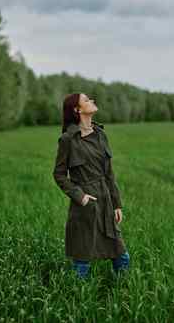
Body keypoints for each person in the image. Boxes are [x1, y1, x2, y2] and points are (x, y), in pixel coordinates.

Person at [53, 93, 130, 279]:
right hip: (85, 205)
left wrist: (117, 203)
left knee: (121, 256)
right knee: (82, 260)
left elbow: (109, 173)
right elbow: (59, 174)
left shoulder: (101, 134)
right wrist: (80, 196)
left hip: (106, 202)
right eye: (87, 100)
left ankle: (123, 292)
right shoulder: (68, 140)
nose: (92, 101)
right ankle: (78, 300)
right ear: (77, 110)